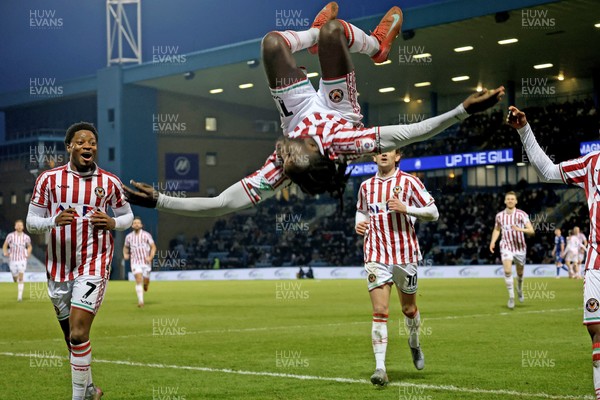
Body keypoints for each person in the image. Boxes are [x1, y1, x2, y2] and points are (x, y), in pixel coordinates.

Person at [123, 2, 504, 216]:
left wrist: (159, 200)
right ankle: (376, 47)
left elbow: (221, 202)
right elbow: (411, 132)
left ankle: (310, 36)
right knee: (334, 32)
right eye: (289, 155)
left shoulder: (278, 170)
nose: (279, 152)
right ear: (313, 152)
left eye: (282, 160)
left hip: (297, 109)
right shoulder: (345, 141)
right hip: (337, 111)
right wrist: (462, 111)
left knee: (272, 43)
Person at [26, 121, 133, 400]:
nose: (88, 146)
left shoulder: (109, 182)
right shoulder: (48, 180)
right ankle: (88, 390)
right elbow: (31, 222)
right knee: (71, 337)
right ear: (69, 147)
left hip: (94, 263)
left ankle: (78, 398)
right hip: (59, 267)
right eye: (82, 142)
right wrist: (52, 221)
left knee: (77, 332)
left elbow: (128, 216)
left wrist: (112, 222)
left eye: (92, 143)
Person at [507, 105, 600, 399]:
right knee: (596, 330)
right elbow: (547, 171)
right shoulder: (592, 164)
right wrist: (524, 130)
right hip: (597, 259)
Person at [355, 149, 438, 386]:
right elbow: (361, 211)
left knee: (408, 309)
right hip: (375, 254)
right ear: (373, 158)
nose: (383, 155)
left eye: (387, 152)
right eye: (378, 152)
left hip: (404, 254)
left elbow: (434, 212)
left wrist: (406, 209)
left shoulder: (409, 181)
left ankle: (414, 343)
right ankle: (380, 368)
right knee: (380, 312)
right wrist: (359, 225)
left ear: (397, 156)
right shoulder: (365, 186)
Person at [489, 191, 535, 309]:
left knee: (520, 273)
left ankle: (519, 288)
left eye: (512, 199)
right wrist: (493, 241)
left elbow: (531, 231)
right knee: (508, 271)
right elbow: (497, 229)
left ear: (516, 201)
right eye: (508, 199)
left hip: (520, 248)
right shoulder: (499, 216)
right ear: (505, 201)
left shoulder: (522, 214)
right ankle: (511, 297)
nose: (510, 200)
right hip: (506, 246)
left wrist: (520, 229)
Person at [123, 217, 157, 307]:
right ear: (132, 225)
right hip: (135, 261)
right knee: (138, 280)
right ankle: (141, 301)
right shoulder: (129, 237)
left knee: (145, 281)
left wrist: (150, 257)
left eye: (138, 223)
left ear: (141, 225)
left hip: (146, 262)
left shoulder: (146, 235)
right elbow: (126, 247)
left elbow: (153, 247)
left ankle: (146, 285)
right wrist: (125, 254)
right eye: (135, 223)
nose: (137, 224)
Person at [2, 219, 32, 301]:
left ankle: (19, 297)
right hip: (12, 259)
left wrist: (28, 253)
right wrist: (5, 252)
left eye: (21, 225)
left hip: (22, 259)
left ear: (23, 227)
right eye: (18, 225)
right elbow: (5, 245)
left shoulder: (26, 237)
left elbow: (29, 246)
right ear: (15, 226)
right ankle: (15, 278)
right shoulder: (10, 236)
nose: (19, 226)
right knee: (15, 278)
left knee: (21, 277)